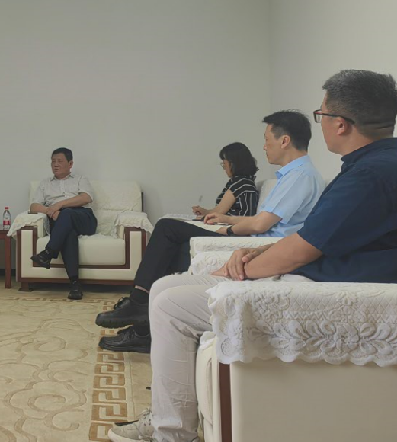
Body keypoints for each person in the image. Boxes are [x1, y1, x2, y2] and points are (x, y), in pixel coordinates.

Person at [108, 70, 397, 442]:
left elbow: (300, 249)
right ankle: (166, 412)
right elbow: (313, 237)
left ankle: (171, 432)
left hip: (324, 291)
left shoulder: (370, 176)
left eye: (321, 115)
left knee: (169, 305)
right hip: (316, 275)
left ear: (341, 124)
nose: (320, 123)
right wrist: (254, 251)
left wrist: (242, 268)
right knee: (164, 288)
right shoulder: (378, 167)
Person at [97, 111, 325, 353]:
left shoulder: (300, 176)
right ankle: (144, 325)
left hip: (258, 245)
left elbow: (260, 225)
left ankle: (139, 304)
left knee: (167, 228)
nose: (264, 146)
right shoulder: (294, 174)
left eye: (267, 140)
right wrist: (228, 221)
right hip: (253, 239)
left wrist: (228, 229)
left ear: (284, 141)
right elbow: (261, 219)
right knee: (172, 241)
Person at [28, 147, 97, 301]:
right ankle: (75, 284)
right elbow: (33, 206)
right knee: (69, 234)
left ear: (70, 164)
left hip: (82, 217)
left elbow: (86, 198)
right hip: (58, 220)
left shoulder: (80, 179)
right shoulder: (45, 183)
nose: (55, 164)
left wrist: (59, 205)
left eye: (59, 161)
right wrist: (50, 210)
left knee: (66, 213)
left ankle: (49, 252)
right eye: (53, 161)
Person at [190, 142, 259, 219]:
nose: (224, 168)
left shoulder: (241, 184)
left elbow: (219, 212)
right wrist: (205, 212)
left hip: (233, 225)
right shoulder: (242, 182)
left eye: (224, 164)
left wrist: (205, 215)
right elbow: (218, 211)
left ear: (234, 163)